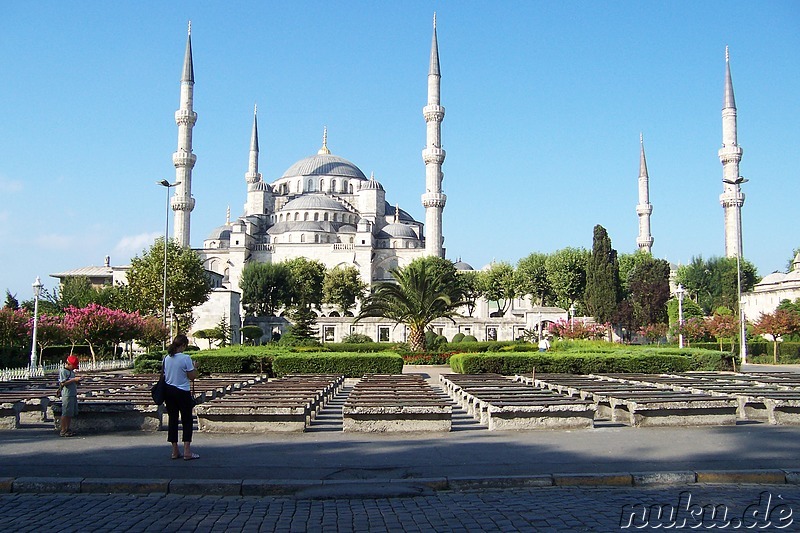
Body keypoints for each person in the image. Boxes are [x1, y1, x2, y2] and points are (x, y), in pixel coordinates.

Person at [163, 334, 199, 460]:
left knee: (173, 420)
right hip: (182, 391)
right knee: (186, 420)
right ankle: (187, 450)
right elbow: (192, 376)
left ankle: (174, 451)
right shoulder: (185, 358)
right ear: (183, 345)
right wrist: (195, 367)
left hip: (169, 391)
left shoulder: (167, 358)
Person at [58, 355, 81, 437]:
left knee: (70, 413)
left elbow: (71, 381)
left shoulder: (72, 372)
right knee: (65, 413)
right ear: (69, 364)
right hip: (67, 394)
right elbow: (63, 383)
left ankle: (67, 428)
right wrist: (74, 380)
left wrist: (77, 381)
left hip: (73, 393)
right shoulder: (63, 371)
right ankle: (63, 430)